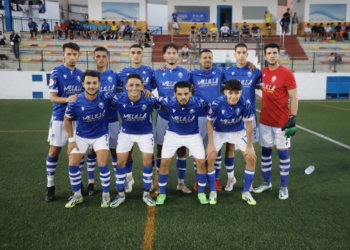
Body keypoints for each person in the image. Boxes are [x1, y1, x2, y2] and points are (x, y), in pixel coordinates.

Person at [253, 43, 298, 200]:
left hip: (282, 122)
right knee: (265, 152)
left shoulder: (287, 74)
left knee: (282, 153)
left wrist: (292, 118)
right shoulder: (262, 73)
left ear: (279, 55)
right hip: (265, 121)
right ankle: (266, 183)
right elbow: (260, 86)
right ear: (264, 56)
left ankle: (284, 187)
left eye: (274, 52)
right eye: (269, 53)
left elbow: (294, 97)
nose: (272, 55)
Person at [64, 70, 112, 208]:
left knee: (102, 163)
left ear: (99, 84)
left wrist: (145, 92)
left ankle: (106, 195)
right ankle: (77, 195)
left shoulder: (106, 97)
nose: (92, 86)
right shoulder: (75, 101)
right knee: (73, 163)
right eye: (88, 83)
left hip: (101, 135)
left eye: (94, 83)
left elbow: (125, 96)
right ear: (83, 84)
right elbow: (66, 120)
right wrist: (71, 140)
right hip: (81, 136)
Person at [156, 81, 209, 206]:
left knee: (201, 162)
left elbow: (210, 110)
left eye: (186, 93)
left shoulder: (199, 103)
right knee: (164, 162)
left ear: (191, 93)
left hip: (193, 135)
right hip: (172, 135)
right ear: (175, 94)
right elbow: (153, 101)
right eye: (180, 94)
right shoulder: (167, 102)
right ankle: (162, 193)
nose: (183, 97)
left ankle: (201, 193)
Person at [110, 74, 159, 208]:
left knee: (148, 161)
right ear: (126, 86)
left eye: (137, 85)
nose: (134, 88)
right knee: (120, 162)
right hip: (126, 134)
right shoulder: (118, 99)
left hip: (145, 133)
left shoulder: (150, 100)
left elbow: (165, 106)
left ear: (142, 87)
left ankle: (146, 193)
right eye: (131, 85)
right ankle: (120, 194)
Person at [206, 79, 256, 205]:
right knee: (210, 157)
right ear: (225, 92)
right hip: (220, 132)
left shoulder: (245, 103)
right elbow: (209, 122)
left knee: (251, 158)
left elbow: (249, 125)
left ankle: (246, 192)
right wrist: (211, 144)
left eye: (237, 93)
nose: (234, 96)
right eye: (231, 93)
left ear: (241, 92)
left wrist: (249, 146)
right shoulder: (216, 103)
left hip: (238, 132)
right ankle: (213, 191)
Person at [44, 42, 83, 202]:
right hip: (60, 118)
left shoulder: (81, 74)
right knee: (54, 151)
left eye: (75, 54)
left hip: (77, 120)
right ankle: (50, 186)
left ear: (78, 56)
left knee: (76, 155)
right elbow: (52, 97)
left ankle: (78, 186)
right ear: (64, 56)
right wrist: (67, 99)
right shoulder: (56, 72)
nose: (72, 57)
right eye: (69, 54)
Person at [222, 43, 261, 192]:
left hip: (248, 117)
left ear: (247, 54)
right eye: (239, 52)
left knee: (249, 149)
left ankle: (248, 182)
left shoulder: (255, 72)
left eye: (244, 52)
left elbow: (265, 86)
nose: (241, 55)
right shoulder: (227, 72)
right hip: (232, 116)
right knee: (230, 147)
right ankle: (231, 178)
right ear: (234, 54)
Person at [117, 44, 156, 192]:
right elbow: (119, 91)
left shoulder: (149, 72)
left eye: (139, 53)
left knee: (148, 154)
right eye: (133, 52)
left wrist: (147, 92)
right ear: (129, 55)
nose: (136, 55)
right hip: (129, 115)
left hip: (145, 114)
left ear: (142, 55)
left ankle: (148, 181)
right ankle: (128, 177)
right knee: (128, 151)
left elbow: (154, 87)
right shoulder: (122, 73)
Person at [154, 43, 192, 193]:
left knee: (181, 149)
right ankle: (157, 183)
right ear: (164, 56)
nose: (171, 55)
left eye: (174, 53)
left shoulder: (185, 73)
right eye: (168, 53)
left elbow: (191, 93)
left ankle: (181, 183)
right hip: (163, 116)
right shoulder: (156, 73)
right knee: (161, 149)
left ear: (177, 55)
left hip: (180, 117)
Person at [85, 47, 119, 196]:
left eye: (104, 56)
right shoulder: (89, 76)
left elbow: (120, 94)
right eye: (98, 56)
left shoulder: (114, 75)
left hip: (112, 120)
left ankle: (119, 182)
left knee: (114, 151)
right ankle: (91, 183)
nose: (101, 59)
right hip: (95, 121)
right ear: (94, 58)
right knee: (92, 152)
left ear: (108, 58)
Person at [190, 49, 225, 193]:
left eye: (209, 57)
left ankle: (216, 178)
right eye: (204, 58)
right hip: (198, 116)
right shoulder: (192, 75)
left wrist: (248, 63)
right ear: (199, 60)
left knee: (216, 148)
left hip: (216, 116)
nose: (207, 60)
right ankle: (199, 178)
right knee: (197, 149)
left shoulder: (219, 72)